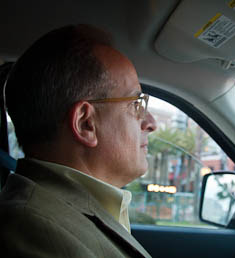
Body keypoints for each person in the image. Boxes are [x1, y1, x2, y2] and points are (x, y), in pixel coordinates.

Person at [0, 24, 157, 257]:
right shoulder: (33, 230)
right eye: (136, 104)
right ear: (86, 124)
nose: (151, 122)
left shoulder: (56, 213)